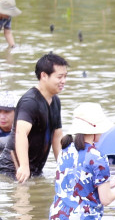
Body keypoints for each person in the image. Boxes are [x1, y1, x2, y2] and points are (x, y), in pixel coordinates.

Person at [47, 103, 115, 220]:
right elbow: (106, 199)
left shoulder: (64, 150)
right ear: (95, 129)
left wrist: (112, 183)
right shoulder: (98, 156)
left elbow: (77, 186)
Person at [0, 53, 68, 182]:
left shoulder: (55, 101)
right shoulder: (30, 101)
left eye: (65, 77)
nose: (63, 81)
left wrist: (62, 166)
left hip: (35, 170)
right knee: (23, 202)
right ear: (44, 76)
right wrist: (24, 166)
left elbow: (57, 136)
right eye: (59, 77)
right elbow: (21, 133)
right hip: (12, 169)